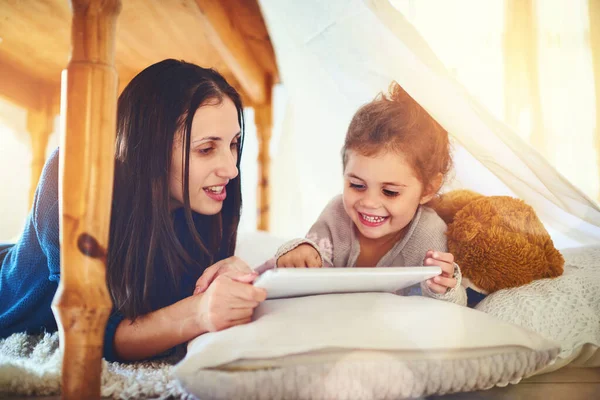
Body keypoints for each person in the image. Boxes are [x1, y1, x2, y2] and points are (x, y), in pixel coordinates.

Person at [0, 59, 267, 361]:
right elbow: (88, 331)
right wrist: (198, 312)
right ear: (152, 146)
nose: (231, 169)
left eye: (233, 144)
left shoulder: (201, 211)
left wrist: (223, 279)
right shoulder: (76, 172)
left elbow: (156, 314)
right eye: (206, 149)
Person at [275, 82, 467, 306]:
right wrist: (297, 253)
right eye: (357, 185)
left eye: (390, 192)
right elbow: (309, 267)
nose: (369, 202)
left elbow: (457, 308)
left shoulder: (430, 235)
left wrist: (443, 288)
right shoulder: (337, 214)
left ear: (428, 189)